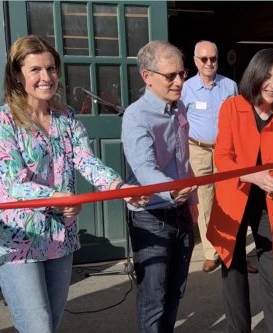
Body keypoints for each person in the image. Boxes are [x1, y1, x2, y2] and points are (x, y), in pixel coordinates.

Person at [0, 35, 145, 333]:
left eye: (52, 69)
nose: (46, 77)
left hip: (59, 237)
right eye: (36, 70)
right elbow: (13, 182)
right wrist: (57, 197)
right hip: (17, 237)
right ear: (17, 75)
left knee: (51, 322)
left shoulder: (66, 118)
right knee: (37, 326)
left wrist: (119, 188)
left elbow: (86, 161)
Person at [207, 48, 273, 333]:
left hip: (269, 200)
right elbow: (222, 157)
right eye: (268, 76)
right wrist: (255, 175)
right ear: (255, 74)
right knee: (232, 269)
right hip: (234, 196)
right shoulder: (232, 106)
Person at [121, 40, 198, 333]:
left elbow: (184, 159)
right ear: (147, 76)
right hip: (151, 218)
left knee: (176, 290)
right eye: (171, 76)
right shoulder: (136, 116)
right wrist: (175, 189)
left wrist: (191, 202)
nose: (180, 81)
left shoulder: (178, 109)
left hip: (179, 211)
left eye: (182, 73)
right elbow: (143, 169)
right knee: (153, 297)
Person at [180, 40, 243, 273]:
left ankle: (231, 249)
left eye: (213, 59)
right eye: (204, 59)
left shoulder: (230, 86)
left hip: (225, 151)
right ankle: (211, 252)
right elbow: (179, 121)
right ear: (195, 61)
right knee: (205, 201)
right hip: (197, 150)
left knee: (227, 198)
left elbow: (238, 119)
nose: (209, 63)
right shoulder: (185, 88)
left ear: (218, 59)